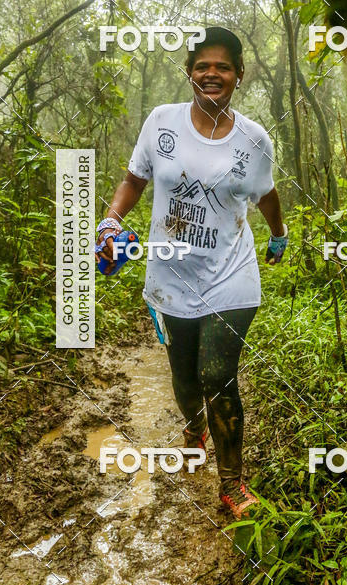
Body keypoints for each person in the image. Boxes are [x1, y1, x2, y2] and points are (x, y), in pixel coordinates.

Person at [95, 26, 288, 518]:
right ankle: (193, 425)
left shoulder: (254, 139)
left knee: (218, 373)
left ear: (239, 76)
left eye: (223, 66)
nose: (211, 74)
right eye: (202, 65)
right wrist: (112, 220)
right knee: (185, 378)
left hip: (232, 273)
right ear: (189, 73)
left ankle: (232, 483)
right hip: (170, 277)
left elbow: (265, 194)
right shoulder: (162, 123)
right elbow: (134, 179)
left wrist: (278, 233)